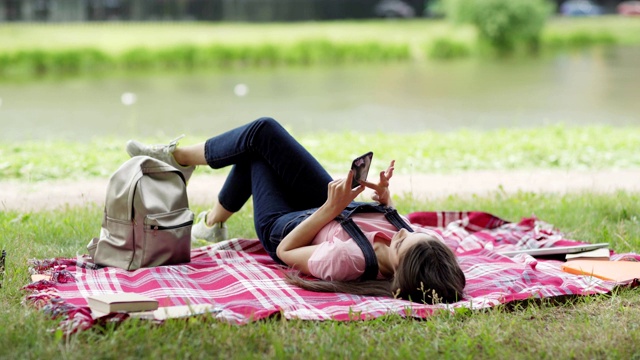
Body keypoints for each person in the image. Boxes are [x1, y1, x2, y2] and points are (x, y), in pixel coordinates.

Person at [126, 117, 466, 304]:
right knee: (263, 134)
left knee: (257, 146)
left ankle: (178, 160)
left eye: (403, 242)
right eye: (413, 232)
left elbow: (287, 251)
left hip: (286, 228)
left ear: (402, 266)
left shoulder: (347, 260)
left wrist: (330, 209)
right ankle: (211, 219)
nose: (403, 231)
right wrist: (384, 199)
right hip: (328, 207)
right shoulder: (415, 245)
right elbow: (402, 229)